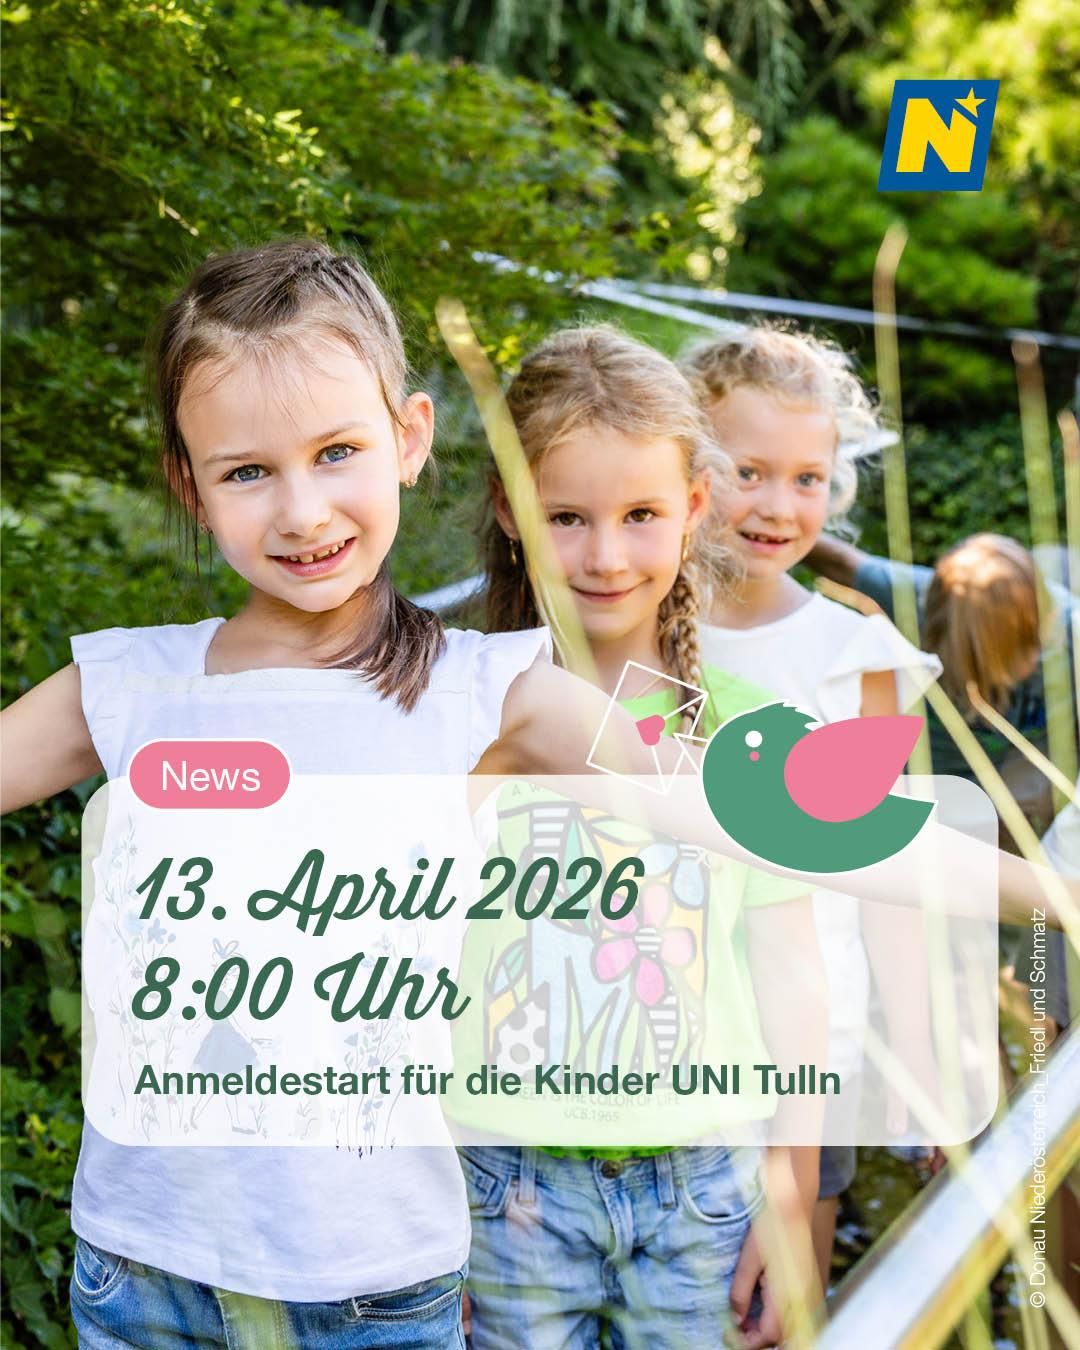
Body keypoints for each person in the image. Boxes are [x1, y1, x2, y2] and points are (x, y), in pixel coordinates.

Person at [0, 242, 698, 1349]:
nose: (302, 511)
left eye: (337, 452)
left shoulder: (489, 692)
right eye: (245, 472)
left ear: (409, 439)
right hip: (141, 1273)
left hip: (369, 1289)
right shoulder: (132, 683)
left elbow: (754, 818)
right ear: (188, 481)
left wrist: (1039, 883)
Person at [461, 325, 823, 1350]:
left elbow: (793, 975)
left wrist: (792, 1195)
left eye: (641, 515)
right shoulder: (464, 716)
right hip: (503, 1189)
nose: (606, 555)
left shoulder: (753, 732)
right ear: (508, 508)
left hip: (705, 1184)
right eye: (565, 517)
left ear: (695, 508)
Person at [680, 325, 943, 1292]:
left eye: (808, 479)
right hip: (651, 1045)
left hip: (809, 1057)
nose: (780, 506)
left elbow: (892, 879)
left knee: (782, 1302)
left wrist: (916, 1053)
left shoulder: (854, 656)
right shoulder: (631, 626)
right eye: (749, 471)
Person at [804, 530, 1077, 837]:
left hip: (1017, 798)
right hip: (923, 800)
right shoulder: (914, 603)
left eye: (1033, 646)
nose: (1029, 663)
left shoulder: (1071, 635)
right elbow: (838, 563)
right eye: (1008, 651)